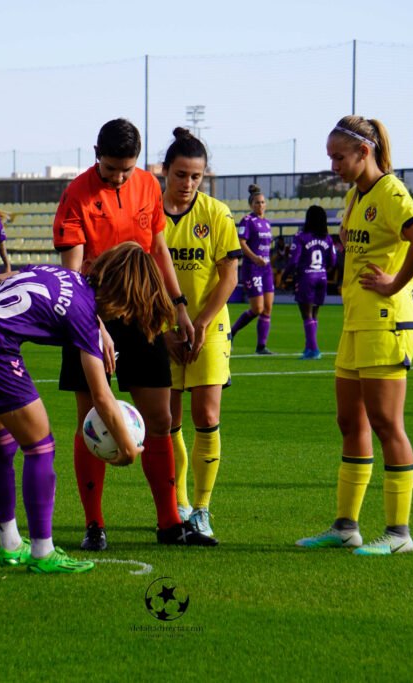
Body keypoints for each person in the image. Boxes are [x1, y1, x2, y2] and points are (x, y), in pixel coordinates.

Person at [0, 244, 158, 574]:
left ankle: (11, 544)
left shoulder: (63, 275)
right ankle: (43, 552)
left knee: (1, 446)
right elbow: (101, 397)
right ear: (123, 293)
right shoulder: (86, 315)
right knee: (41, 447)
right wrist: (128, 450)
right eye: (129, 307)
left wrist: (99, 327)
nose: (125, 316)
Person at [52, 118, 216, 550]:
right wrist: (94, 326)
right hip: (91, 313)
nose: (120, 177)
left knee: (161, 420)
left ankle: (168, 523)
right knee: (92, 421)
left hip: (144, 312)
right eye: (111, 169)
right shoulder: (76, 195)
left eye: (127, 169)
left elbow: (158, 250)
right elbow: (71, 273)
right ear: (95, 155)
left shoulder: (147, 186)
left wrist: (179, 308)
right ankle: (94, 526)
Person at [297, 115, 413, 556]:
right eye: (330, 157)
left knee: (386, 424)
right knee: (349, 422)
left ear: (364, 152)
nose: (333, 164)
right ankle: (345, 526)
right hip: (356, 321)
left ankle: (399, 534)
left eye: (339, 156)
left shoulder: (391, 192)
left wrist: (394, 283)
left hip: (386, 321)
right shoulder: (357, 197)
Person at [160, 128, 241, 538]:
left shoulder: (216, 213)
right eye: (181, 175)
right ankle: (178, 503)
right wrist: (167, 330)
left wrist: (203, 324)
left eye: (196, 176)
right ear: (164, 171)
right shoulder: (150, 215)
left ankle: (202, 510)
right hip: (163, 329)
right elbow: (144, 276)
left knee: (206, 416)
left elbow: (229, 276)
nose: (188, 184)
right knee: (168, 420)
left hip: (209, 326)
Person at [284, 204, 338, 360]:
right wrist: (322, 269)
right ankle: (309, 347)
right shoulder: (327, 238)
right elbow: (333, 261)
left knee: (306, 315)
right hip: (322, 277)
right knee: (314, 315)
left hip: (306, 278)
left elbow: (293, 261)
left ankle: (314, 350)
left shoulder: (301, 237)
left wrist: (286, 275)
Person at [231, 184, 276, 354]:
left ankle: (261, 346)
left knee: (268, 308)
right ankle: (232, 332)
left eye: (263, 202)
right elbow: (241, 242)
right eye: (257, 203)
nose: (261, 205)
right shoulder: (247, 221)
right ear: (251, 205)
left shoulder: (266, 223)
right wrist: (255, 258)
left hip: (266, 269)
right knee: (257, 308)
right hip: (252, 268)